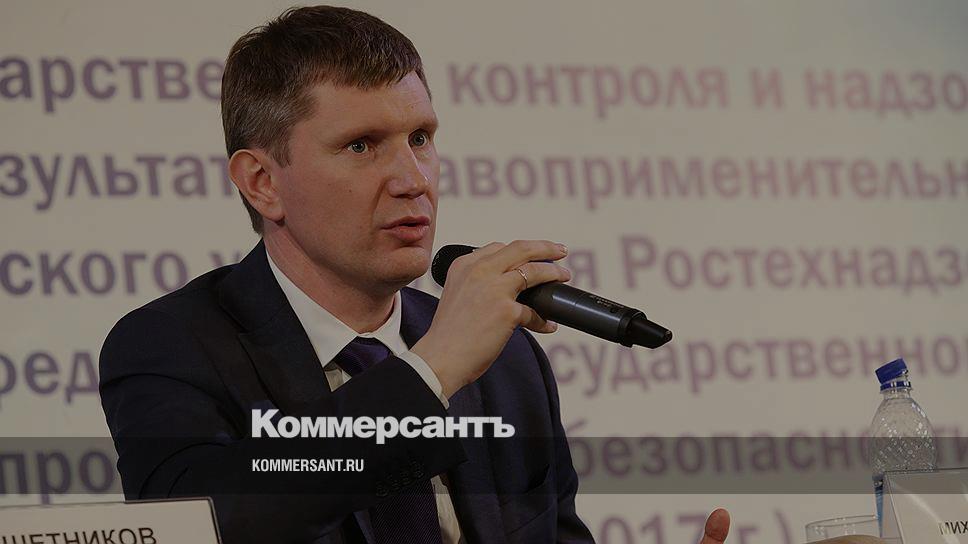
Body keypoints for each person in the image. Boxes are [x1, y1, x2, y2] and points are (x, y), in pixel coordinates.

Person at [99, 5, 876, 544]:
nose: (414, 180)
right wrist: (429, 372)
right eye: (362, 146)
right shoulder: (173, 347)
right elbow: (219, 521)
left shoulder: (507, 364)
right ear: (262, 182)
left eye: (422, 138)